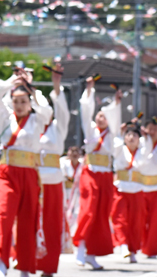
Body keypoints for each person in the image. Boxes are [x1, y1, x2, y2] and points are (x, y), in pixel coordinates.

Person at [0, 68, 53, 277]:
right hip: (6, 172)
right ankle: (1, 263)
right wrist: (12, 81)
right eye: (16, 101)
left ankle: (25, 266)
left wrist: (33, 91)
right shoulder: (5, 117)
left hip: (29, 173)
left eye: (24, 101)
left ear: (30, 102)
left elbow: (47, 112)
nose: (19, 105)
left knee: (28, 220)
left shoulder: (37, 120)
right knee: (2, 214)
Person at [74, 78, 121, 270]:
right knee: (89, 209)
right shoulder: (91, 129)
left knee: (101, 213)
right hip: (91, 173)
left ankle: (91, 254)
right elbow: (86, 111)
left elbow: (116, 117)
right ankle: (81, 246)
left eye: (104, 115)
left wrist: (117, 103)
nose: (101, 117)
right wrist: (89, 90)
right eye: (99, 114)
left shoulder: (113, 134)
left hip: (106, 176)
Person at [36, 64, 70, 277]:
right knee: (30, 220)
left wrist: (56, 86)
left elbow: (63, 112)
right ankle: (28, 262)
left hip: (53, 180)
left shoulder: (58, 127)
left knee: (51, 222)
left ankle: (48, 266)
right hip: (33, 178)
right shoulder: (30, 125)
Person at [111, 122, 146, 263]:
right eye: (129, 135)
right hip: (121, 189)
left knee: (136, 222)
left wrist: (144, 132)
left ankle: (132, 249)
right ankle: (123, 245)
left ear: (139, 139)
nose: (131, 137)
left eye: (135, 135)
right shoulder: (120, 150)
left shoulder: (143, 151)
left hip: (137, 190)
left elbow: (148, 143)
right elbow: (116, 143)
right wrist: (120, 131)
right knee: (120, 218)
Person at [142, 117, 157, 258]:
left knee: (154, 222)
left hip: (156, 188)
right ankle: (140, 245)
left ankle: (151, 249)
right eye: (149, 128)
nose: (152, 132)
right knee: (141, 220)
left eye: (154, 129)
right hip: (140, 187)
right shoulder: (140, 142)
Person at [60, 146, 83, 236]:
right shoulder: (63, 162)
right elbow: (63, 175)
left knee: (77, 211)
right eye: (72, 151)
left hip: (78, 192)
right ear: (68, 153)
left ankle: (74, 233)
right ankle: (65, 231)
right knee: (65, 210)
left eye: (76, 151)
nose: (74, 154)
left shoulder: (82, 164)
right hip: (66, 190)